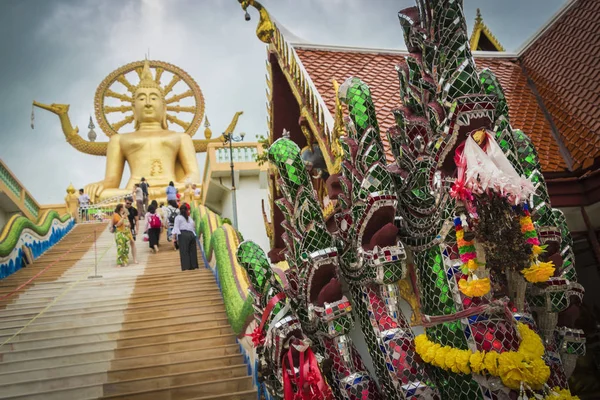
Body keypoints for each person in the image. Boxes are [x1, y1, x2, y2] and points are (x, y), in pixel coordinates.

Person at [172, 204, 199, 271]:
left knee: (184, 251)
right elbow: (193, 227)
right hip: (192, 234)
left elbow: (176, 228)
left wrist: (174, 238)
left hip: (183, 235)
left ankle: (186, 267)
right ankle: (194, 266)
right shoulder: (189, 218)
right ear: (187, 210)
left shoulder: (178, 217)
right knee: (192, 251)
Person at [124, 197, 139, 264]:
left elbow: (136, 220)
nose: (128, 205)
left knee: (132, 243)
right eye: (127, 203)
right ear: (125, 202)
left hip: (131, 228)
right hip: (123, 228)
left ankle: (135, 259)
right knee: (124, 244)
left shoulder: (134, 210)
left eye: (130, 203)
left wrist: (137, 229)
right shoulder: (121, 209)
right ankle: (124, 259)